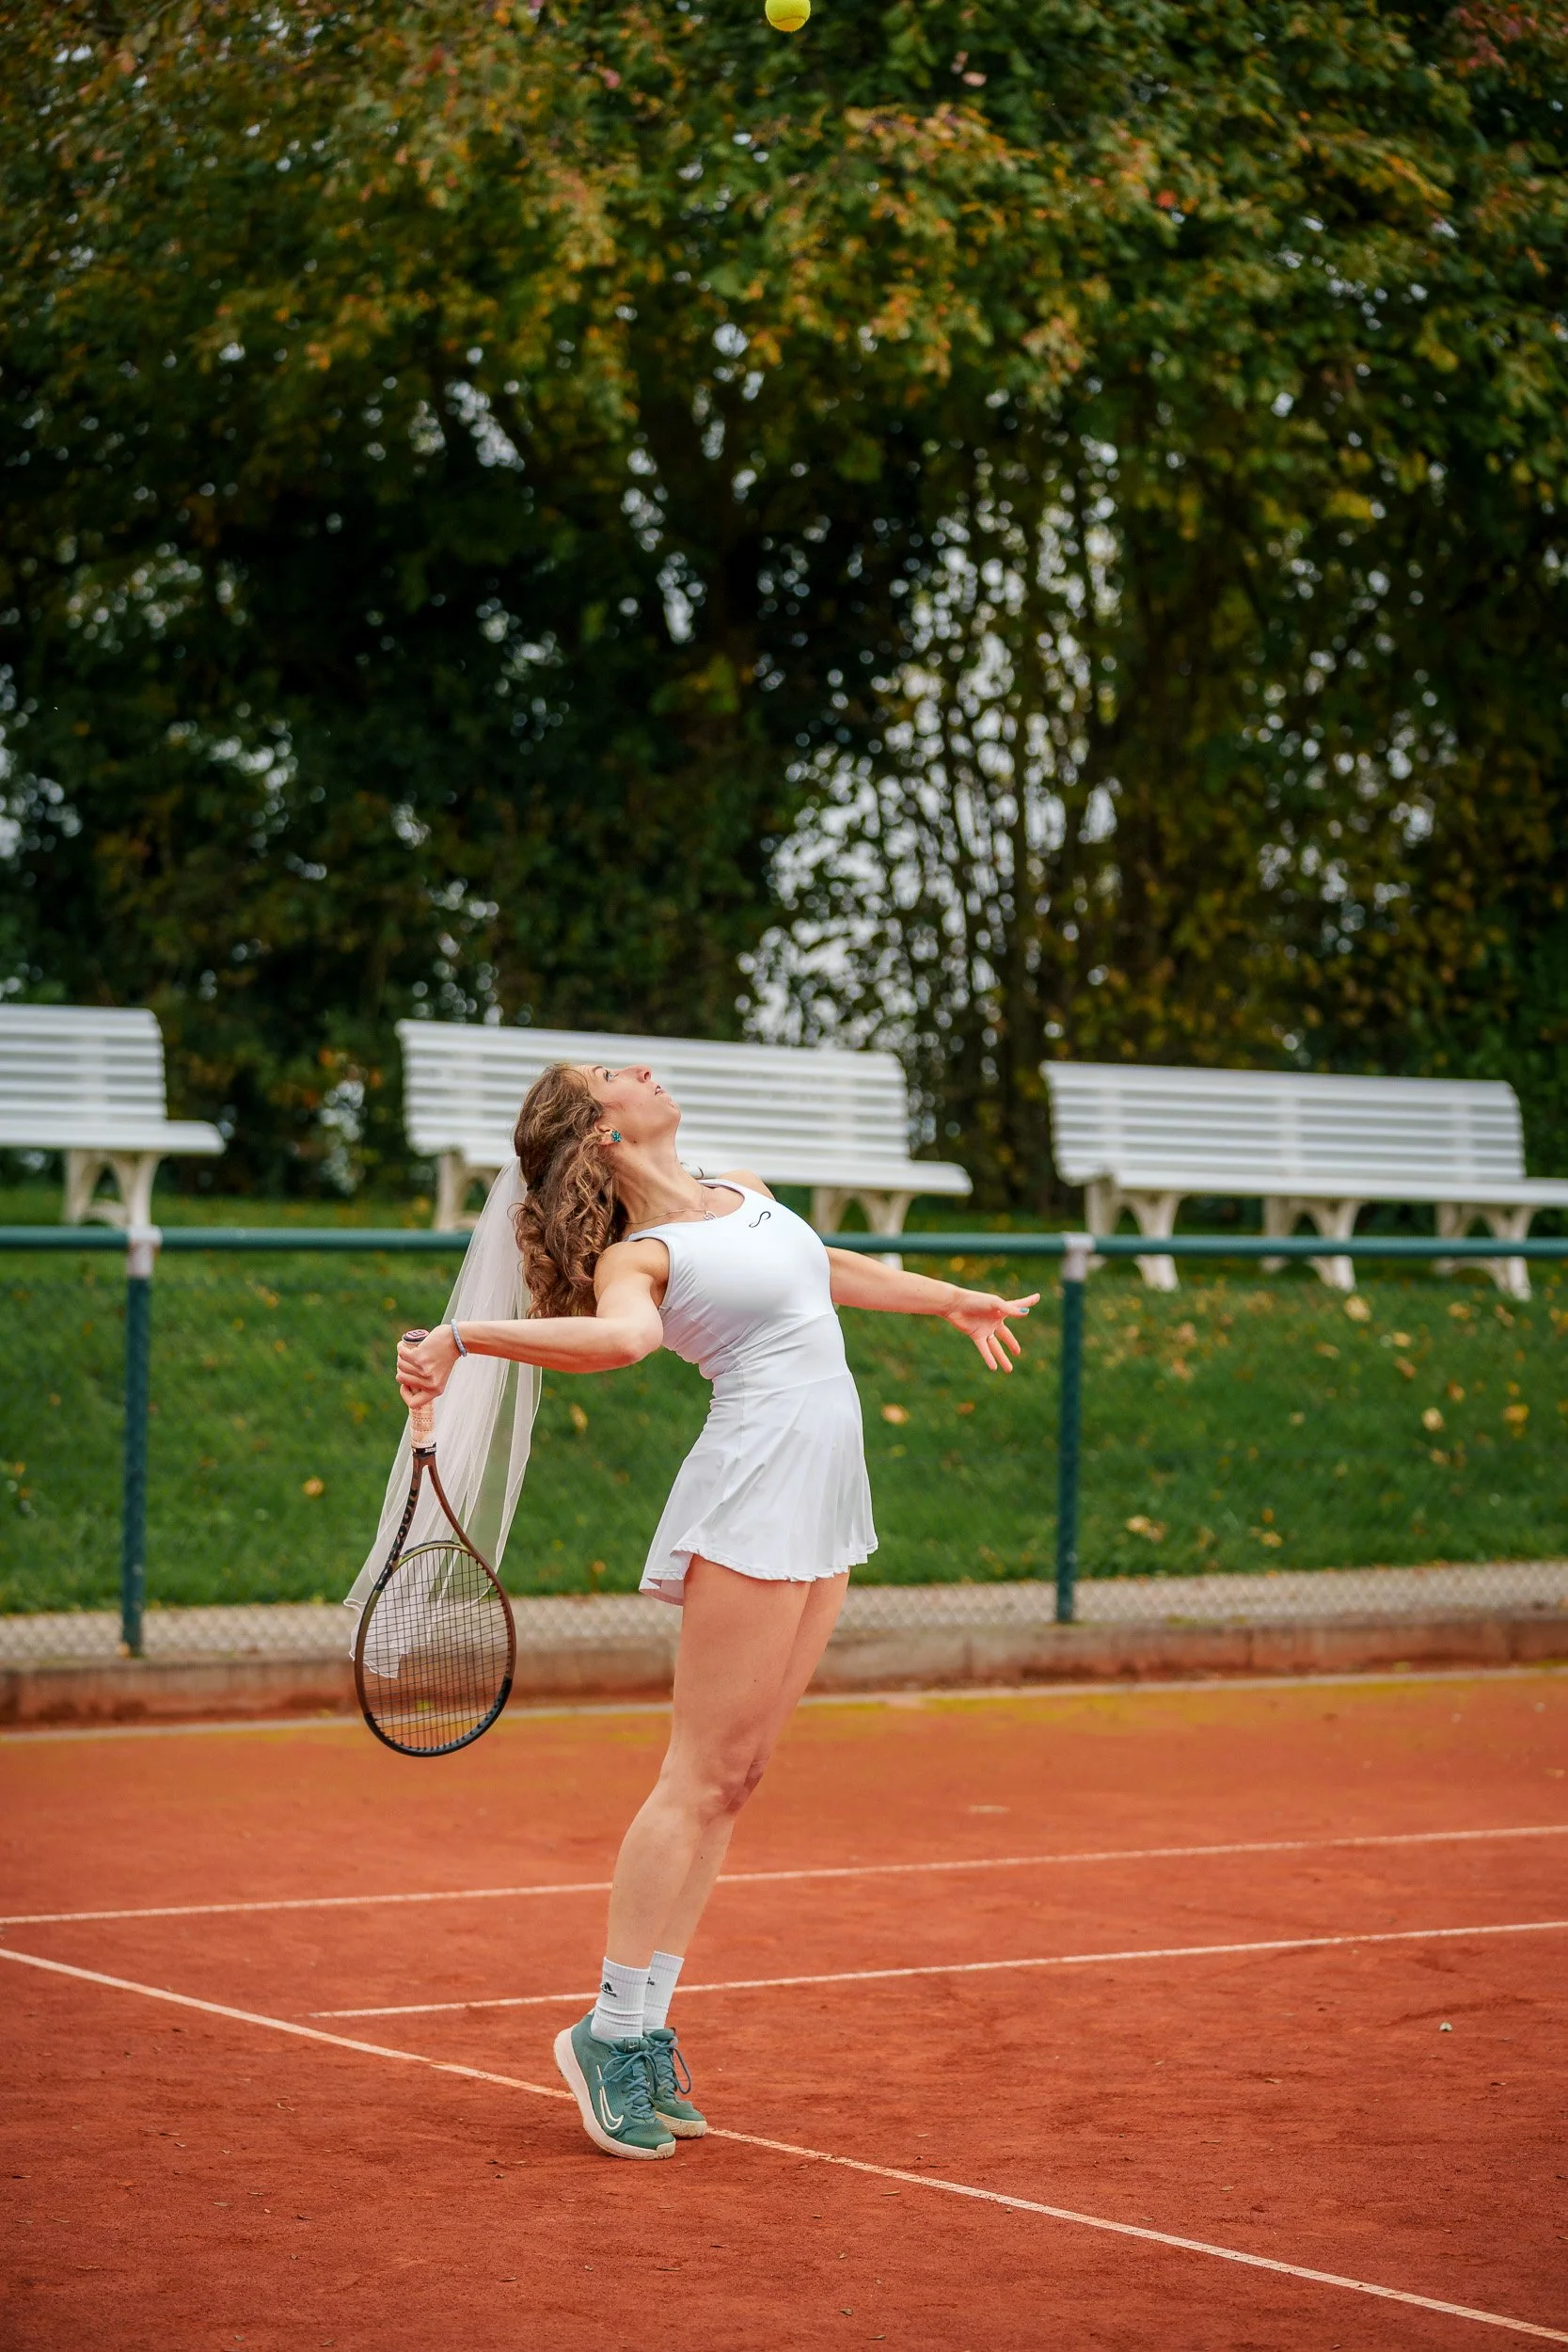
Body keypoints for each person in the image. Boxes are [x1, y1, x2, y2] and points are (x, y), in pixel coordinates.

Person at [393, 1061, 1037, 2161]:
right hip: (751, 1489)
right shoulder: (643, 1258)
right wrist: (463, 1340)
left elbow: (815, 1267)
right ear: (601, 1130)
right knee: (696, 1774)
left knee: (739, 1778)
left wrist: (946, 1299)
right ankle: (605, 2028)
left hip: (827, 1487)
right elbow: (620, 1341)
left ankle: (642, 2028)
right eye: (612, 1074)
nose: (641, 1069)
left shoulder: (742, 1188)